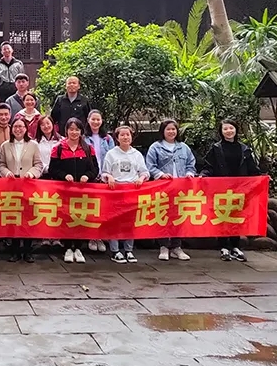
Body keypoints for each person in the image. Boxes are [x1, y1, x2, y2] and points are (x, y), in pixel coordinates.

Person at [200, 119, 261, 262]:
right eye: (225, 129)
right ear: (221, 132)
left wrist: (261, 178)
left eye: (231, 128)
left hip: (240, 189)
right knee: (222, 217)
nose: (229, 131)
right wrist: (204, 175)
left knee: (236, 217)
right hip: (221, 189)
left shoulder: (244, 149)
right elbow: (208, 166)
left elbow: (252, 168)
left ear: (236, 129)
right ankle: (223, 247)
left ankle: (235, 246)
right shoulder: (216, 148)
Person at [48, 117, 99, 264]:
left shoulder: (88, 148)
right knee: (66, 219)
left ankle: (78, 247)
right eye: (71, 129)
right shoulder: (58, 148)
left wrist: (87, 176)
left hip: (83, 192)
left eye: (77, 129)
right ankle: (67, 248)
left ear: (81, 131)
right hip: (64, 191)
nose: (74, 132)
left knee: (80, 219)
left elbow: (95, 169)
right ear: (66, 131)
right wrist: (64, 175)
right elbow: (53, 169)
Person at [146, 119, 196, 262]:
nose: (171, 132)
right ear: (162, 131)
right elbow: (150, 166)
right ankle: (163, 246)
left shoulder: (183, 147)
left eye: (173, 129)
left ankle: (176, 246)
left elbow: (191, 164)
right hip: (163, 188)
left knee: (179, 217)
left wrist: (189, 173)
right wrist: (160, 174)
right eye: (168, 129)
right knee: (163, 216)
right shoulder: (155, 147)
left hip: (180, 189)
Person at [102, 125, 149, 264]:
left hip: (132, 191)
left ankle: (129, 250)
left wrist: (141, 178)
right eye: (122, 135)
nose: (125, 137)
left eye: (127, 134)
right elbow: (104, 172)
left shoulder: (136, 154)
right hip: (115, 192)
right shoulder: (111, 154)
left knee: (130, 222)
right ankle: (115, 250)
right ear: (117, 138)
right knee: (114, 222)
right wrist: (109, 176)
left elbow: (145, 172)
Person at [0, 116, 43, 262]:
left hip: (28, 184)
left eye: (21, 126)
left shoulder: (33, 145)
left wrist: (31, 173)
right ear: (11, 129)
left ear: (26, 129)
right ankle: (15, 251)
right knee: (13, 217)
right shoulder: (5, 145)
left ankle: (27, 251)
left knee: (28, 217)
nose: (18, 129)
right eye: (15, 127)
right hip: (11, 185)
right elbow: (1, 164)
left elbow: (38, 164)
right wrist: (7, 173)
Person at [84, 109, 115, 253]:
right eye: (93, 119)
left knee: (102, 209)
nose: (95, 122)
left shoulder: (108, 139)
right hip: (89, 177)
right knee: (90, 208)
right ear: (88, 120)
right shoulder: (83, 137)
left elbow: (113, 157)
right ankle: (91, 237)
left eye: (98, 119)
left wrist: (108, 174)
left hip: (104, 177)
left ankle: (100, 237)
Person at [34, 115, 63, 249]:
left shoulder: (61, 141)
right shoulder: (35, 142)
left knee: (57, 207)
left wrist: (55, 170)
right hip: (43, 176)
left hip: (58, 177)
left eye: (48, 123)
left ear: (53, 124)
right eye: (42, 124)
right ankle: (44, 236)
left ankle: (56, 237)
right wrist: (46, 168)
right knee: (44, 206)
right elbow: (37, 160)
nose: (46, 126)